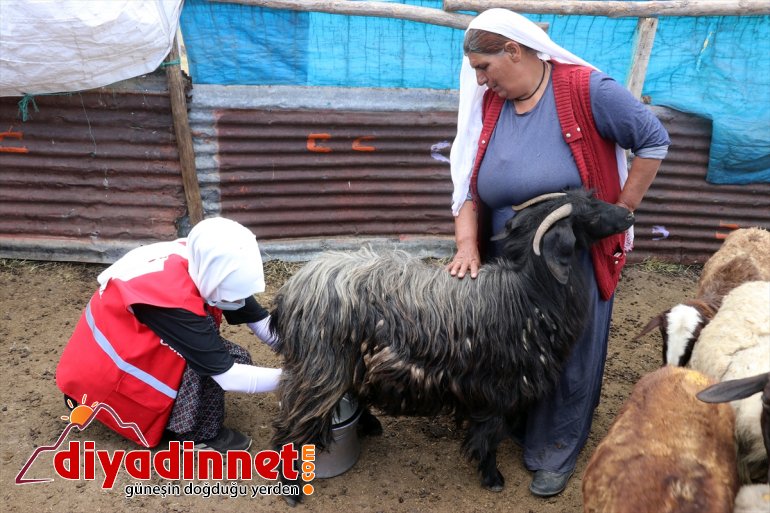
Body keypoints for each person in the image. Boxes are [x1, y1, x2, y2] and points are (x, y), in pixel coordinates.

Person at [446, 9, 670, 497]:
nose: (479, 79)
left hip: (569, 252)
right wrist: (467, 243)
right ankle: (516, 423)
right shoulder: (489, 103)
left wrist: (618, 211)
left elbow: (653, 140)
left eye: (484, 67)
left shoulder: (586, 89)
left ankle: (555, 449)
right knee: (512, 342)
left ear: (515, 50)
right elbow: (465, 180)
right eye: (475, 71)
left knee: (569, 348)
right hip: (508, 253)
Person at [56, 217, 282, 453]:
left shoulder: (202, 261)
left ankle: (90, 398)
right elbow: (228, 375)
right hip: (106, 379)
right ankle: (197, 436)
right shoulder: (175, 301)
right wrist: (297, 380)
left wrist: (304, 352)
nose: (238, 300)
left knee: (220, 352)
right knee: (225, 361)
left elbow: (261, 322)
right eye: (233, 294)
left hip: (103, 354)